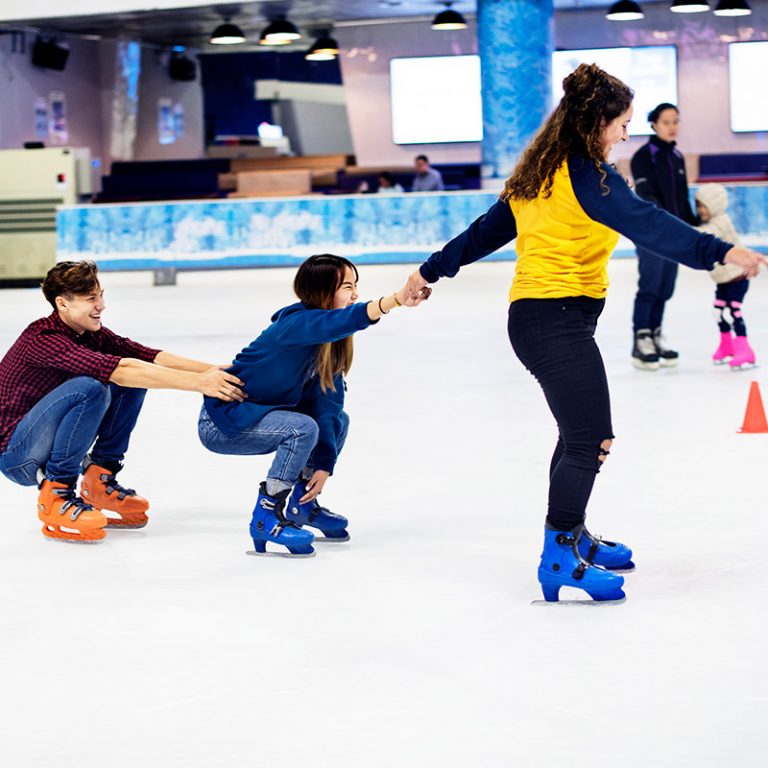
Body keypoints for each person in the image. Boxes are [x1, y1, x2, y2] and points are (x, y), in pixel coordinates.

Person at [405, 64, 766, 603]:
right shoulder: (587, 176)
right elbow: (648, 223)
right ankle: (558, 558)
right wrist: (720, 251)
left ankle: (572, 535)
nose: (626, 133)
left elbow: (483, 233)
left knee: (576, 432)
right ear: (596, 122)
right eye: (621, 123)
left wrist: (429, 271)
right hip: (550, 319)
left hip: (547, 319)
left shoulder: (541, 174)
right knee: (591, 437)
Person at [197, 254, 429, 558]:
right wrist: (394, 300)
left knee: (337, 421)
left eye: (356, 285)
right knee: (301, 428)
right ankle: (266, 517)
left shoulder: (329, 338)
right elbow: (343, 319)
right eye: (347, 286)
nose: (355, 294)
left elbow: (328, 404)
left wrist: (324, 463)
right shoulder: (294, 324)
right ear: (322, 291)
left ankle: (302, 505)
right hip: (223, 422)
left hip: (257, 416)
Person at [0, 260, 245, 544]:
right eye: (91, 298)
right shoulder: (44, 339)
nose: (101, 305)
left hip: (41, 439)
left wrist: (212, 371)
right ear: (62, 304)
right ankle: (57, 493)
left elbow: (146, 356)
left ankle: (99, 478)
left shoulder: (90, 334)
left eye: (101, 295)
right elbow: (122, 369)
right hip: (16, 455)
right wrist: (199, 385)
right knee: (91, 388)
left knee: (131, 379)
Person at [630, 103, 698, 370]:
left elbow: (682, 197)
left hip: (674, 235)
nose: (672, 126)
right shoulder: (644, 156)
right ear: (654, 125)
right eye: (667, 121)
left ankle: (656, 333)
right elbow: (647, 197)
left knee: (665, 287)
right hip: (651, 235)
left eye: (676, 121)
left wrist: (693, 222)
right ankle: (641, 339)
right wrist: (666, 225)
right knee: (650, 285)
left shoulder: (677, 156)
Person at [696, 183, 755, 370]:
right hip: (723, 280)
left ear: (714, 205)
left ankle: (745, 349)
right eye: (697, 205)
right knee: (718, 311)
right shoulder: (711, 222)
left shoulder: (721, 222)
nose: (699, 210)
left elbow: (705, 236)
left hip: (737, 278)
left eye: (703, 206)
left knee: (732, 311)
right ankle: (727, 344)